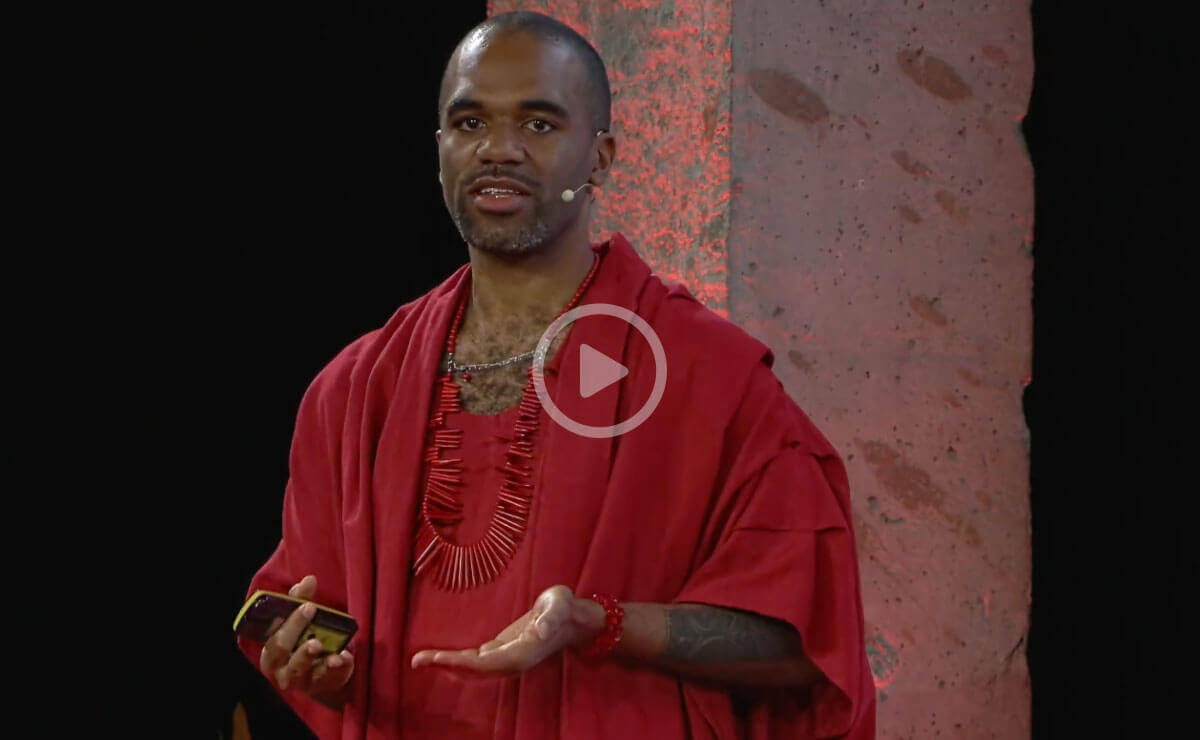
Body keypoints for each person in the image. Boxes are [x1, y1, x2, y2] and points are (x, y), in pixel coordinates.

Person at [238, 10, 876, 739]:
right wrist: (313, 668)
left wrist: (598, 623)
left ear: (601, 157)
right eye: (470, 123)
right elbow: (310, 618)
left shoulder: (707, 374)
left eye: (539, 126)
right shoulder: (353, 393)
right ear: (440, 149)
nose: (498, 150)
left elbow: (806, 646)